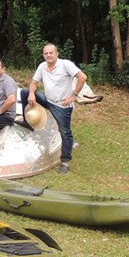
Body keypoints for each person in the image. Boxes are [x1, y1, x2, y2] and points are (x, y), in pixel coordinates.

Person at [22, 43, 87, 173]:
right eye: (46, 53)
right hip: (48, 100)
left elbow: (82, 77)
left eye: (51, 53)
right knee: (24, 92)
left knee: (65, 132)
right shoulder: (42, 66)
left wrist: (73, 96)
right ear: (43, 55)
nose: (48, 55)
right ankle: (27, 122)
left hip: (62, 105)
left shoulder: (65, 64)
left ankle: (65, 162)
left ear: (57, 54)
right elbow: (34, 83)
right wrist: (31, 94)